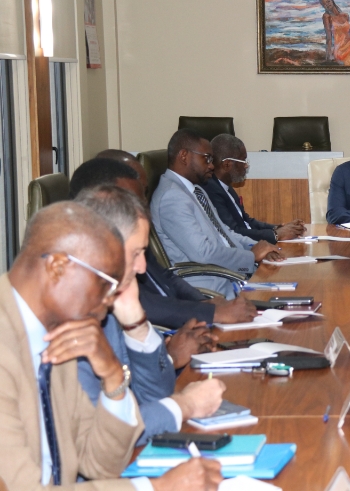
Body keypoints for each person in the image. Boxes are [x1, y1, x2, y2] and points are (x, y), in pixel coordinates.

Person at [0, 201, 222, 491]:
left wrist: (114, 378)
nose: (110, 301)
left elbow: (100, 465)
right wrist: (158, 487)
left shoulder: (59, 332)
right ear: (57, 267)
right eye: (107, 283)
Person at [75, 186, 225, 446]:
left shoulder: (109, 303)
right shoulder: (68, 319)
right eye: (136, 254)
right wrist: (186, 405)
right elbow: (103, 435)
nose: (142, 267)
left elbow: (153, 397)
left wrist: (137, 327)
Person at [72, 156, 257, 329]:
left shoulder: (129, 238)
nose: (144, 205)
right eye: (132, 200)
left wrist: (202, 302)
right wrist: (209, 312)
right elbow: (143, 303)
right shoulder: (86, 261)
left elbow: (166, 275)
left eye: (143, 195)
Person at [150, 129, 283, 297]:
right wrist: (251, 257)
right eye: (207, 158)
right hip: (213, 284)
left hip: (230, 273)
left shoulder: (196, 190)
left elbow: (225, 233)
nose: (212, 166)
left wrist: (260, 248)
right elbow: (203, 253)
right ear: (184, 156)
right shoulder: (172, 197)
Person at [205, 134, 305, 243]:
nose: (246, 166)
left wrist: (278, 228)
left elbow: (247, 222)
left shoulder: (225, 187)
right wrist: (276, 235)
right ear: (227, 165)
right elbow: (234, 232)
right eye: (243, 161)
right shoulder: (211, 190)